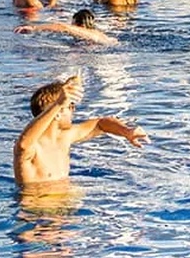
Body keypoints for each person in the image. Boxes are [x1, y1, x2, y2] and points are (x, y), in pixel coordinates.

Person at [14, 75, 149, 189]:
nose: (74, 111)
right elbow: (23, 144)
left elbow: (100, 124)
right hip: (39, 213)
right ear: (57, 113)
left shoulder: (65, 137)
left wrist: (126, 131)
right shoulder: (34, 146)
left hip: (65, 209)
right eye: (71, 106)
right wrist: (59, 104)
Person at [15, 8, 119, 45]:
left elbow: (63, 27)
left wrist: (34, 28)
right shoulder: (95, 34)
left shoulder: (88, 34)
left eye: (73, 24)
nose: (71, 26)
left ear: (81, 26)